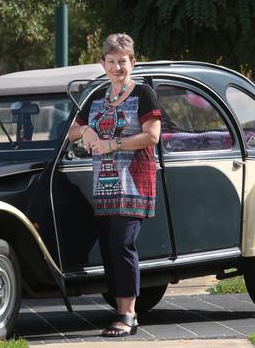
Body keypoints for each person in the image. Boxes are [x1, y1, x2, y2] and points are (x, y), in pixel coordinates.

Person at [68, 33, 161, 337]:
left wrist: (113, 144)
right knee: (109, 249)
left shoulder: (143, 94)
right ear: (103, 64)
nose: (117, 67)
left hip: (133, 183)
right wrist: (88, 135)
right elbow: (72, 130)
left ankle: (129, 315)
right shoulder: (96, 97)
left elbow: (152, 136)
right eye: (111, 61)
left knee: (122, 245)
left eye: (123, 61)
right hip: (104, 185)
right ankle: (120, 312)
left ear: (132, 62)